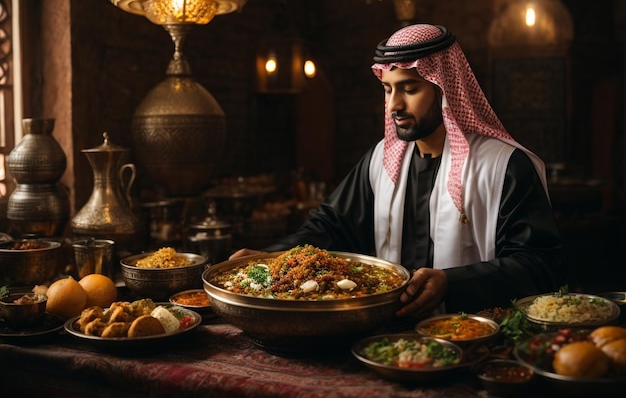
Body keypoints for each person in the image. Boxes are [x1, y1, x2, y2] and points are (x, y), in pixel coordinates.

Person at [231, 23, 565, 320]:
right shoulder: (382, 158)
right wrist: (270, 258)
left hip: (474, 337)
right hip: (385, 331)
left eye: (409, 88)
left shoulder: (504, 166)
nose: (393, 105)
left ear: (444, 89)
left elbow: (539, 266)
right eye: (388, 89)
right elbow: (331, 226)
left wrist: (452, 283)